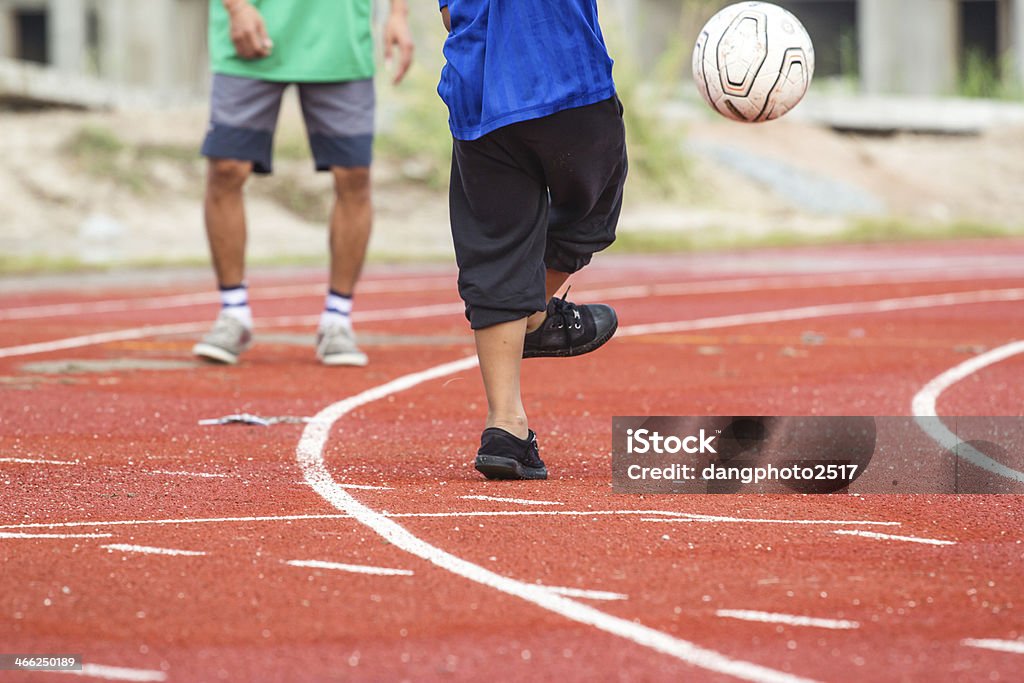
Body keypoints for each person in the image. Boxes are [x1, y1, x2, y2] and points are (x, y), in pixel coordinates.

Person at [437, 0, 628, 480]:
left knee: (495, 249)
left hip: (478, 90)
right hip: (566, 75)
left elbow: (449, 15)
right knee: (593, 207)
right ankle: (535, 312)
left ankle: (506, 428)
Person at [193, 0, 414, 366]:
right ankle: (233, 313)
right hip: (251, 28)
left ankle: (337, 320)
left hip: (341, 39)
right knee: (226, 168)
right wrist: (236, 8)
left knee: (354, 176)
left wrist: (398, 14)